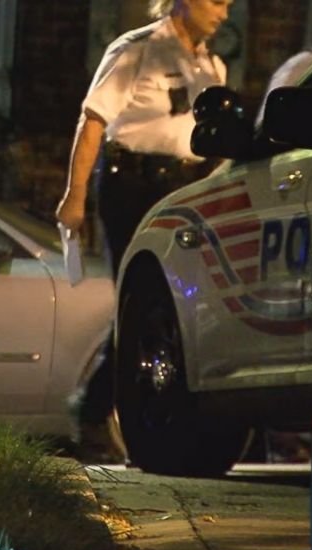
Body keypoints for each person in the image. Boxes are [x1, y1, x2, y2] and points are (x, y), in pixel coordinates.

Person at [56, 0, 232, 463]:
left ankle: (142, 417)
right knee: (139, 299)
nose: (224, 14)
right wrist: (75, 196)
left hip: (184, 186)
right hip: (132, 181)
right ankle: (96, 410)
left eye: (229, 5)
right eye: (217, 2)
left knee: (177, 304)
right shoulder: (136, 49)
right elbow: (92, 121)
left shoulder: (212, 67)